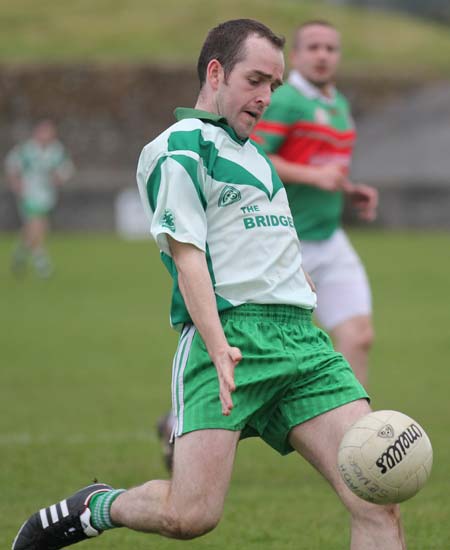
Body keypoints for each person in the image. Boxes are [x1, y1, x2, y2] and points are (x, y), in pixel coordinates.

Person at [12, 19, 405, 550]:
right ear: (216, 72)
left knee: (375, 492)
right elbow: (188, 256)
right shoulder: (179, 149)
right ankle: (96, 505)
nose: (267, 97)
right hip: (230, 339)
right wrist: (218, 345)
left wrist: (297, 278)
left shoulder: (255, 155)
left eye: (275, 86)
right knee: (191, 514)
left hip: (304, 344)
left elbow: (266, 241)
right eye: (256, 80)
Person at [251, 20, 377, 388]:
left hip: (330, 237)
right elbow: (253, 157)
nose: (322, 55)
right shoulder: (286, 101)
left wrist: (348, 189)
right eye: (314, 47)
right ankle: (180, 423)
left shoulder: (337, 104)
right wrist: (313, 177)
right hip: (285, 242)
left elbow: (323, 167)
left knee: (358, 336)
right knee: (263, 353)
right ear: (295, 56)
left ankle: (353, 436)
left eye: (330, 48)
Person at [4, 119, 74, 278]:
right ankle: (42, 264)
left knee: (35, 229)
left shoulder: (57, 151)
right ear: (37, 132)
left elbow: (67, 170)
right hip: (29, 194)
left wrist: (59, 178)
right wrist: (16, 184)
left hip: (47, 196)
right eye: (43, 131)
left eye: (49, 131)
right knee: (37, 227)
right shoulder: (25, 150)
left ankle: (19, 254)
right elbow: (11, 166)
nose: (46, 135)